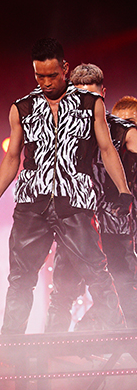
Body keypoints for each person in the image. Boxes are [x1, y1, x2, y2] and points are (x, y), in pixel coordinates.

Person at [0, 39, 131, 334]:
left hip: (75, 203)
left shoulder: (90, 104)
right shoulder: (22, 108)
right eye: (40, 76)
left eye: (52, 75)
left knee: (97, 273)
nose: (47, 82)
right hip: (32, 204)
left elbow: (106, 149)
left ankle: (122, 340)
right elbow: (12, 156)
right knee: (21, 279)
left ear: (65, 68)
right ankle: (10, 348)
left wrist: (124, 191)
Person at [45, 77, 137, 331]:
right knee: (63, 292)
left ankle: (124, 345)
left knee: (122, 287)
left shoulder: (122, 131)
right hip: (76, 226)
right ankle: (52, 349)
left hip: (114, 226)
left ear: (102, 95)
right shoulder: (60, 131)